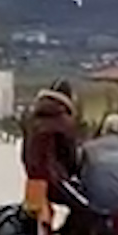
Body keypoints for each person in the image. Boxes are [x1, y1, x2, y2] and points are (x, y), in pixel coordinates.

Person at [19, 79, 89, 216]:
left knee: (32, 218)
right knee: (85, 209)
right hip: (55, 181)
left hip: (33, 181)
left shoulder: (31, 119)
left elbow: (25, 151)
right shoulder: (64, 121)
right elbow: (70, 157)